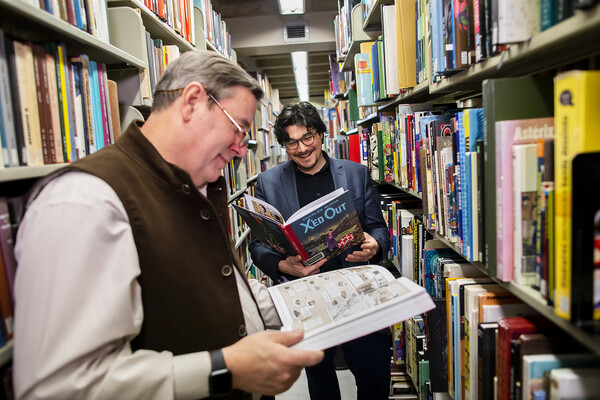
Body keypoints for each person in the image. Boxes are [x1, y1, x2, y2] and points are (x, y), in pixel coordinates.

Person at [13, 50, 323, 400]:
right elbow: (58, 387)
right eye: (238, 129)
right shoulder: (83, 201)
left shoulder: (191, 186)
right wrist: (225, 368)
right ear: (191, 101)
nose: (240, 151)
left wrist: (316, 301)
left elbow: (214, 285)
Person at [249, 102, 392, 400]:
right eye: (291, 142)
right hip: (307, 300)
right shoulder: (268, 182)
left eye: (308, 137)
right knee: (321, 382)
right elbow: (257, 246)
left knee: (375, 376)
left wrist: (374, 245)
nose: (302, 148)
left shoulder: (356, 174)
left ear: (321, 134)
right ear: (283, 144)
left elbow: (379, 229)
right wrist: (283, 266)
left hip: (358, 293)